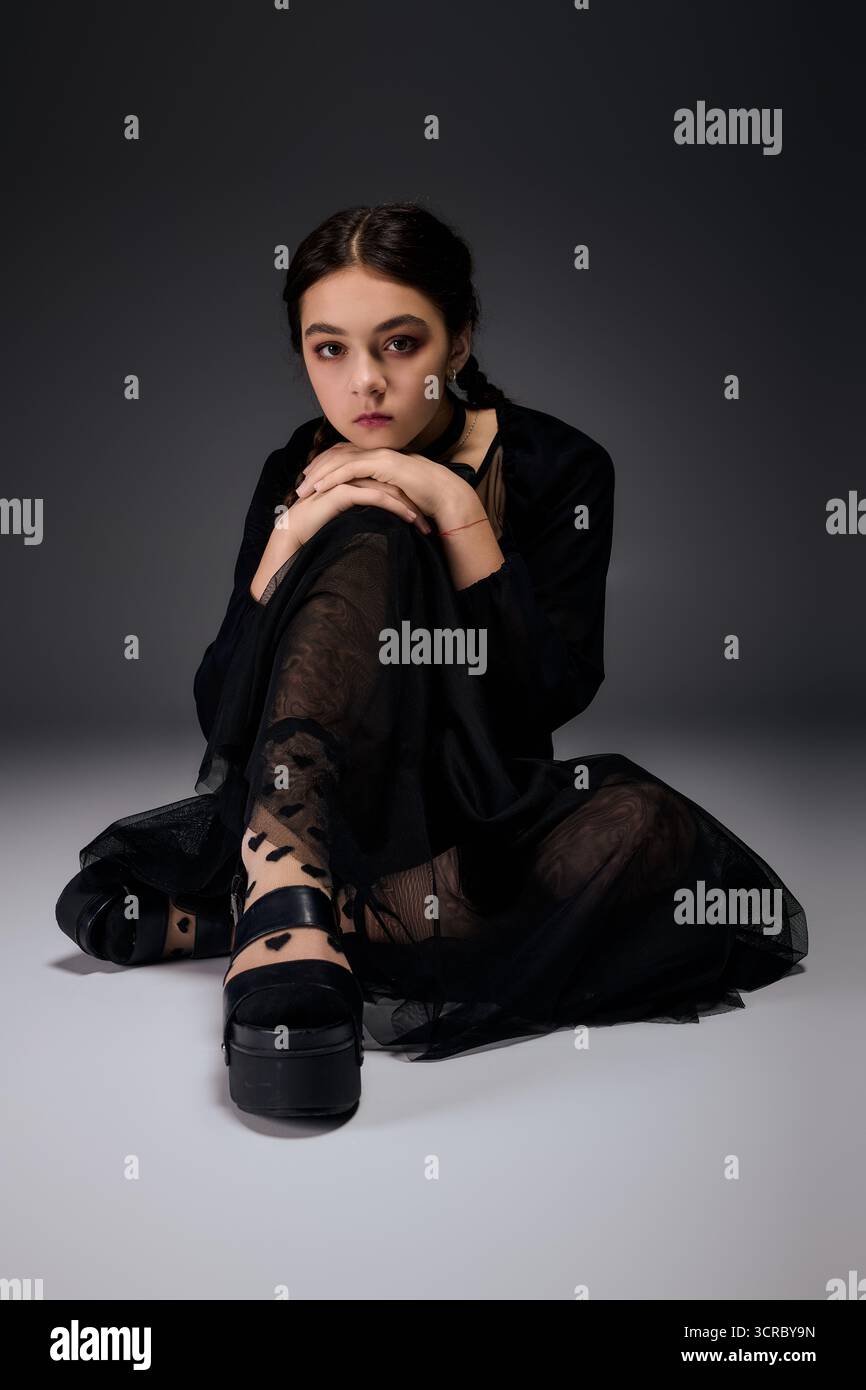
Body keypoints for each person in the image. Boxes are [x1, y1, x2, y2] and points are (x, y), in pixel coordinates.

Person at [55, 202, 808, 1121]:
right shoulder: (298, 466)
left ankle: (261, 918)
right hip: (310, 797)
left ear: (459, 342)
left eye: (400, 343)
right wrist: (288, 536)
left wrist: (451, 504)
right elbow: (223, 711)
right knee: (367, 530)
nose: (365, 382)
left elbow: (548, 695)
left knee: (649, 833)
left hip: (463, 815)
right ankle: (284, 883)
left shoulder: (561, 469)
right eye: (328, 349)